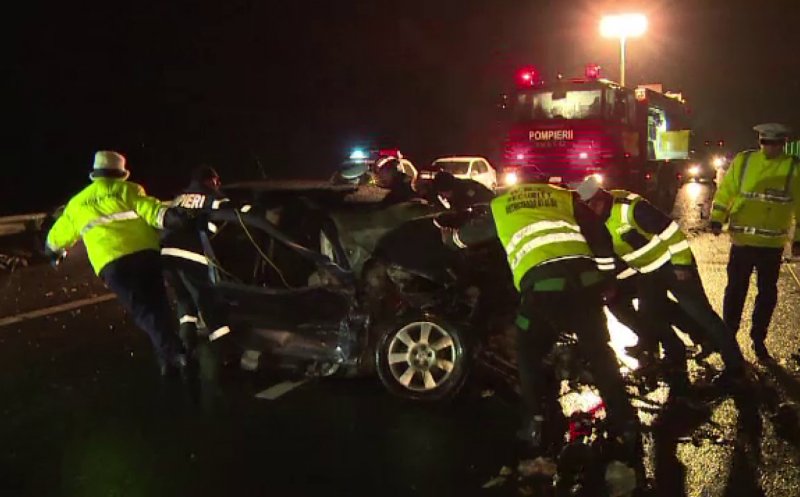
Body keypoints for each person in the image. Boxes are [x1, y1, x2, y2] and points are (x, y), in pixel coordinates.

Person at [442, 173, 640, 470]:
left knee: (527, 353)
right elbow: (599, 233)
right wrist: (607, 278)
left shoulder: (502, 204)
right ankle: (626, 424)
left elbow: (469, 236)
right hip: (585, 282)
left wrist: (450, 237)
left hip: (545, 290)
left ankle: (536, 423)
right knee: (600, 354)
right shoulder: (564, 196)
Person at [577, 177, 746, 392]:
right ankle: (673, 355)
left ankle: (735, 368)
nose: (589, 212)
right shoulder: (600, 219)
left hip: (673, 267)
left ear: (599, 199)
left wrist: (683, 266)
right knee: (651, 316)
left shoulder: (632, 209)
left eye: (590, 205)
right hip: (649, 273)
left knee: (702, 314)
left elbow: (671, 233)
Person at [45, 151, 189, 376]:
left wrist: (52, 251)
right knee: (158, 307)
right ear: (120, 173)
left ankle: (173, 356)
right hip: (145, 256)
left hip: (112, 264)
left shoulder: (77, 203)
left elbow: (57, 237)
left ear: (96, 173)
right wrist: (171, 217)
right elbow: (152, 211)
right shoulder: (128, 190)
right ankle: (171, 357)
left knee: (143, 310)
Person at [711, 123, 800, 360]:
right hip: (742, 242)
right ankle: (729, 334)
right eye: (764, 142)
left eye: (774, 143)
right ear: (760, 142)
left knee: (767, 294)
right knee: (735, 291)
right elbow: (726, 190)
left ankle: (758, 338)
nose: (768, 147)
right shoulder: (745, 160)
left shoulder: (793, 167)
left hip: (771, 245)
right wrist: (717, 218)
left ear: (783, 143)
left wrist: (798, 239)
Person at [160, 166, 233, 359]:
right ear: (211, 180)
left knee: (185, 301)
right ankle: (225, 348)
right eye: (216, 181)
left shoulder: (179, 197)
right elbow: (227, 215)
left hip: (167, 254)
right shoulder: (213, 196)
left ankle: (186, 347)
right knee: (206, 299)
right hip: (190, 255)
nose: (218, 184)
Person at [430, 171, 494, 211]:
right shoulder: (455, 193)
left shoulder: (467, 190)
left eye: (442, 194)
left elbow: (485, 200)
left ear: (449, 189)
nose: (443, 198)